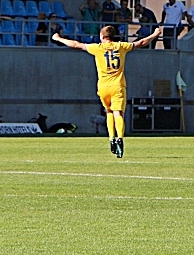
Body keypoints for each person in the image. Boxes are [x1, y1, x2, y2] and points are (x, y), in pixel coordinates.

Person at [52, 24, 163, 158]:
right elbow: (141, 42)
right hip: (118, 86)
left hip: (103, 87)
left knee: (108, 111)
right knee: (119, 113)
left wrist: (58, 38)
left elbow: (76, 44)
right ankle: (120, 139)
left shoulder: (97, 48)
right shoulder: (121, 46)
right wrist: (155, 34)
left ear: (102, 36)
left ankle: (111, 138)